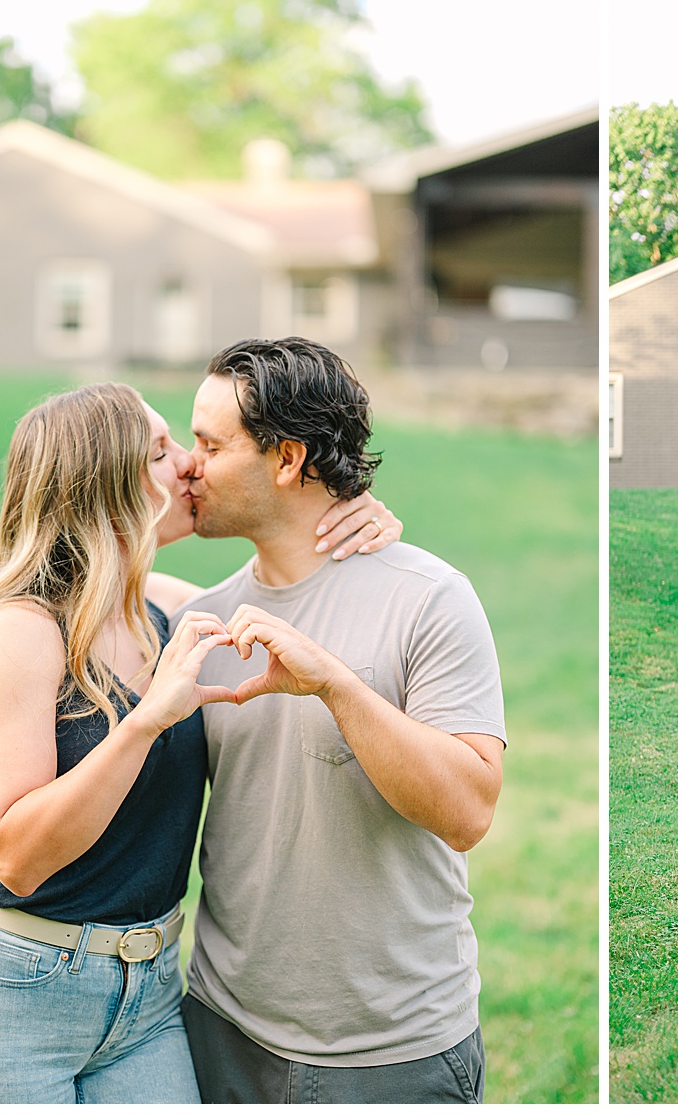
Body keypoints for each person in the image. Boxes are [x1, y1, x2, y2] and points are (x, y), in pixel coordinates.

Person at [0, 381, 400, 1103]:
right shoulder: (21, 634)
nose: (192, 466)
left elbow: (293, 593)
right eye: (163, 451)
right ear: (107, 483)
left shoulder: (165, 607)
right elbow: (17, 856)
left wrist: (350, 520)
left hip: (150, 996)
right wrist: (145, 721)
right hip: (11, 995)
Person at [174, 338, 506, 1104]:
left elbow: (468, 811)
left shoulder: (428, 598)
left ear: (288, 459)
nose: (191, 465)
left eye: (210, 445)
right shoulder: (197, 622)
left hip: (394, 1054)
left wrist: (336, 687)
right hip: (223, 1036)